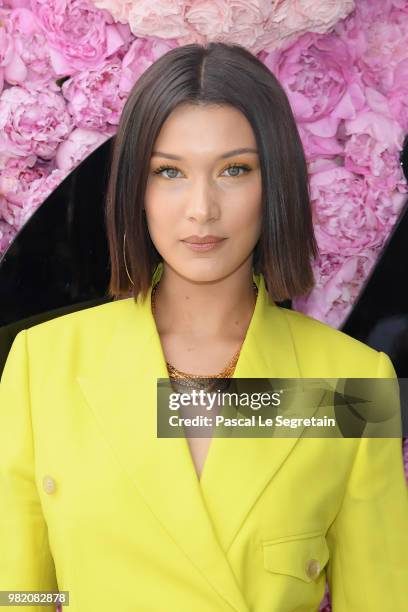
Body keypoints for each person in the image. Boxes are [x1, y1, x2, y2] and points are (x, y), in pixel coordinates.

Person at [0, 42, 407, 612]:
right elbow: (19, 593)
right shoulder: (43, 364)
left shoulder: (351, 382)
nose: (201, 208)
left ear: (276, 185)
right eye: (169, 172)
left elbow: (380, 600)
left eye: (234, 170)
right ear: (135, 191)